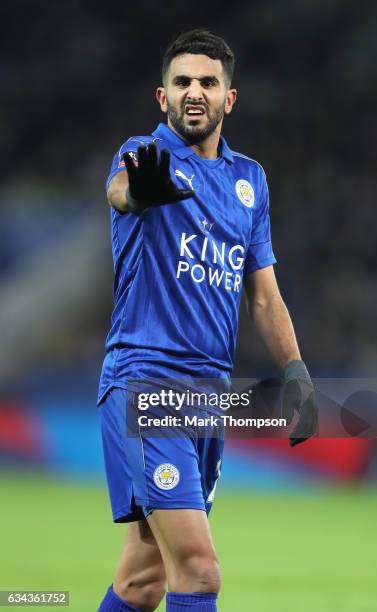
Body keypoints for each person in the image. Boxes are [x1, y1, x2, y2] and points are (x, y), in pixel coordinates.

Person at [97, 28, 318, 612]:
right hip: (147, 381)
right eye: (182, 82)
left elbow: (264, 296)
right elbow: (122, 192)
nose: (195, 91)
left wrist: (296, 369)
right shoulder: (145, 155)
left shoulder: (251, 181)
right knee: (199, 571)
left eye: (208, 82)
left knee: (141, 584)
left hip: (209, 393)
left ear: (229, 97)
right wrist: (137, 194)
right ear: (162, 96)